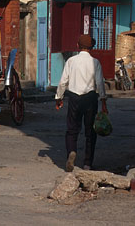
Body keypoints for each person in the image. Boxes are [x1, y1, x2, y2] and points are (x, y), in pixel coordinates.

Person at [55, 34, 108, 172]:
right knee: (90, 131)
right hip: (90, 98)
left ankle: (71, 152)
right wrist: (103, 101)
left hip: (74, 97)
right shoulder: (95, 62)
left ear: (78, 46)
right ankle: (87, 163)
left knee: (72, 129)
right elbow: (99, 83)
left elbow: (63, 82)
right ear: (91, 48)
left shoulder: (71, 61)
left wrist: (58, 98)